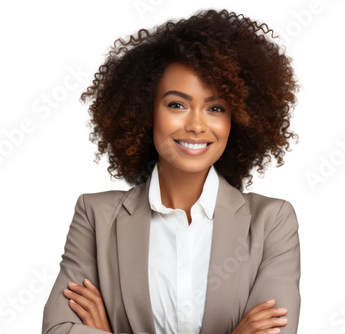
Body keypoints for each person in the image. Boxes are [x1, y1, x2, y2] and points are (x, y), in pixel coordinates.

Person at [42, 8, 301, 334]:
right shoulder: (96, 217)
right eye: (177, 104)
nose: (195, 125)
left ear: (237, 119)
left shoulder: (271, 222)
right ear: (145, 111)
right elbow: (58, 330)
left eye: (215, 108)